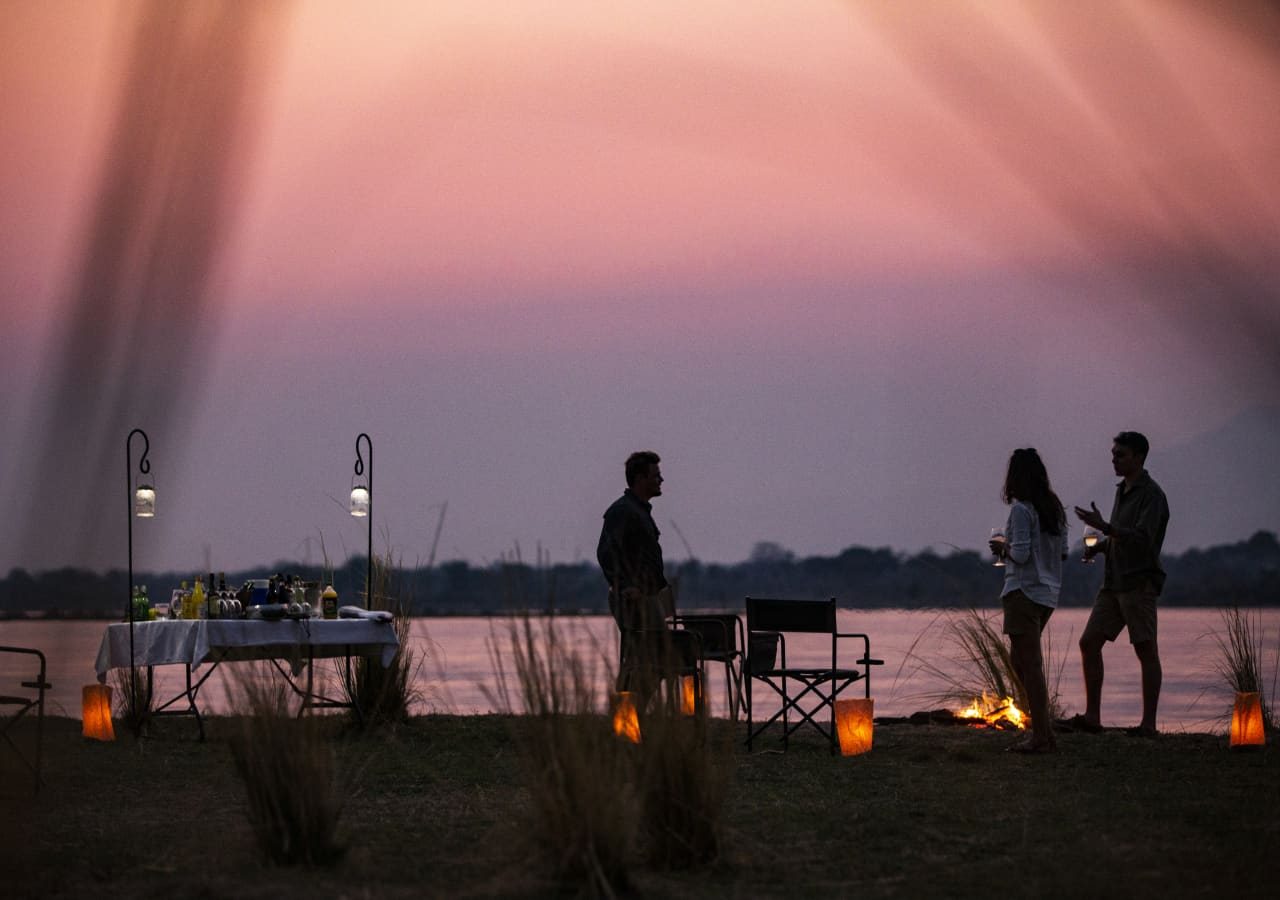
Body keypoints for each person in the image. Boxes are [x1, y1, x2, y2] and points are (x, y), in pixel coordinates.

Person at [1071, 431, 1170, 737]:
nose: (1114, 459)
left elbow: (1142, 540)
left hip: (1138, 583)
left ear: (1138, 458)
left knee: (1145, 649)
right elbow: (1121, 538)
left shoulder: (1152, 496)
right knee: (1089, 642)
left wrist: (1106, 527)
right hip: (1112, 584)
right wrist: (1101, 546)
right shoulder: (1121, 490)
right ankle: (1092, 717)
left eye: (1121, 454)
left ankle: (1148, 724)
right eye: (1113, 453)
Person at [989, 448, 1068, 754]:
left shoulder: (1022, 510)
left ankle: (1042, 736)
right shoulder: (1053, 508)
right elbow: (1062, 552)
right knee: (1020, 661)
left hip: (1022, 591)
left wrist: (1002, 547)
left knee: (1030, 665)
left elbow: (1020, 555)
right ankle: (1040, 726)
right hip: (1048, 593)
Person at [596, 451, 687, 706]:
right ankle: (625, 723)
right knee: (640, 659)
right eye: (655, 475)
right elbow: (606, 551)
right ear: (639, 478)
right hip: (634, 601)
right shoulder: (622, 511)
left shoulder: (639, 511)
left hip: (648, 597)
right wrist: (625, 586)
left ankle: (631, 719)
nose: (662, 480)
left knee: (655, 658)